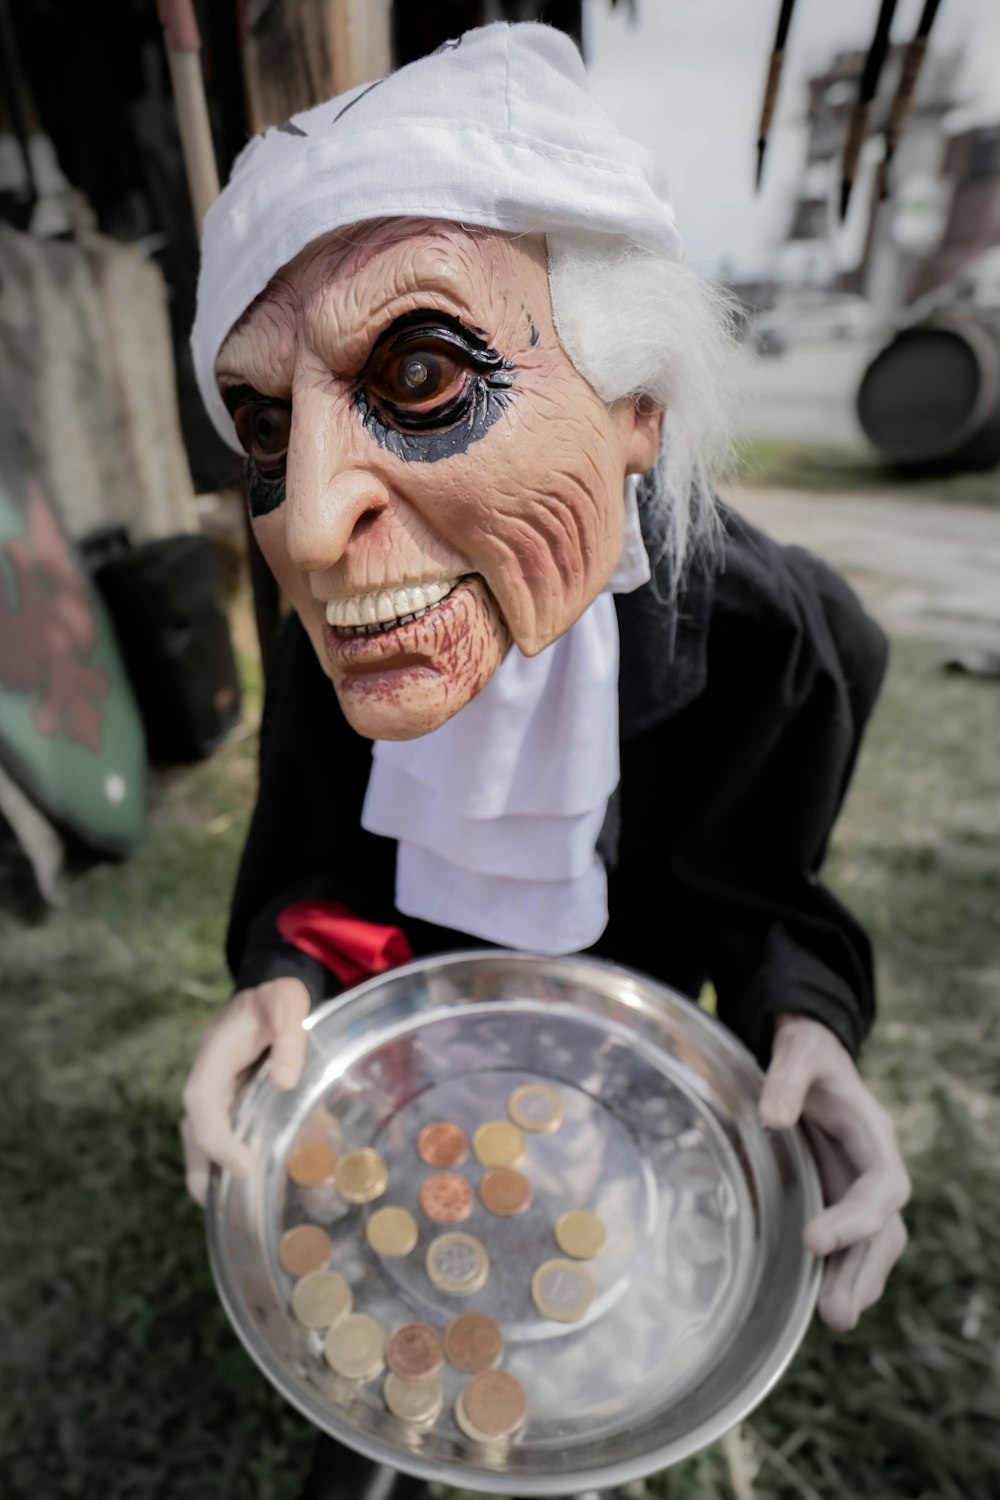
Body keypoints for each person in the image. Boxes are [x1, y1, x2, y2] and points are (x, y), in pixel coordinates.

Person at [181, 21, 910, 1499]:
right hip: (414, 1031)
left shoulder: (778, 642)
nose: (310, 525)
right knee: (398, 1308)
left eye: (427, 373)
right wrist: (286, 976)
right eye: (265, 423)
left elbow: (756, 888)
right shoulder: (351, 605)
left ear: (635, 404)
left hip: (615, 1043)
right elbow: (320, 852)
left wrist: (803, 1021)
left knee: (563, 1329)